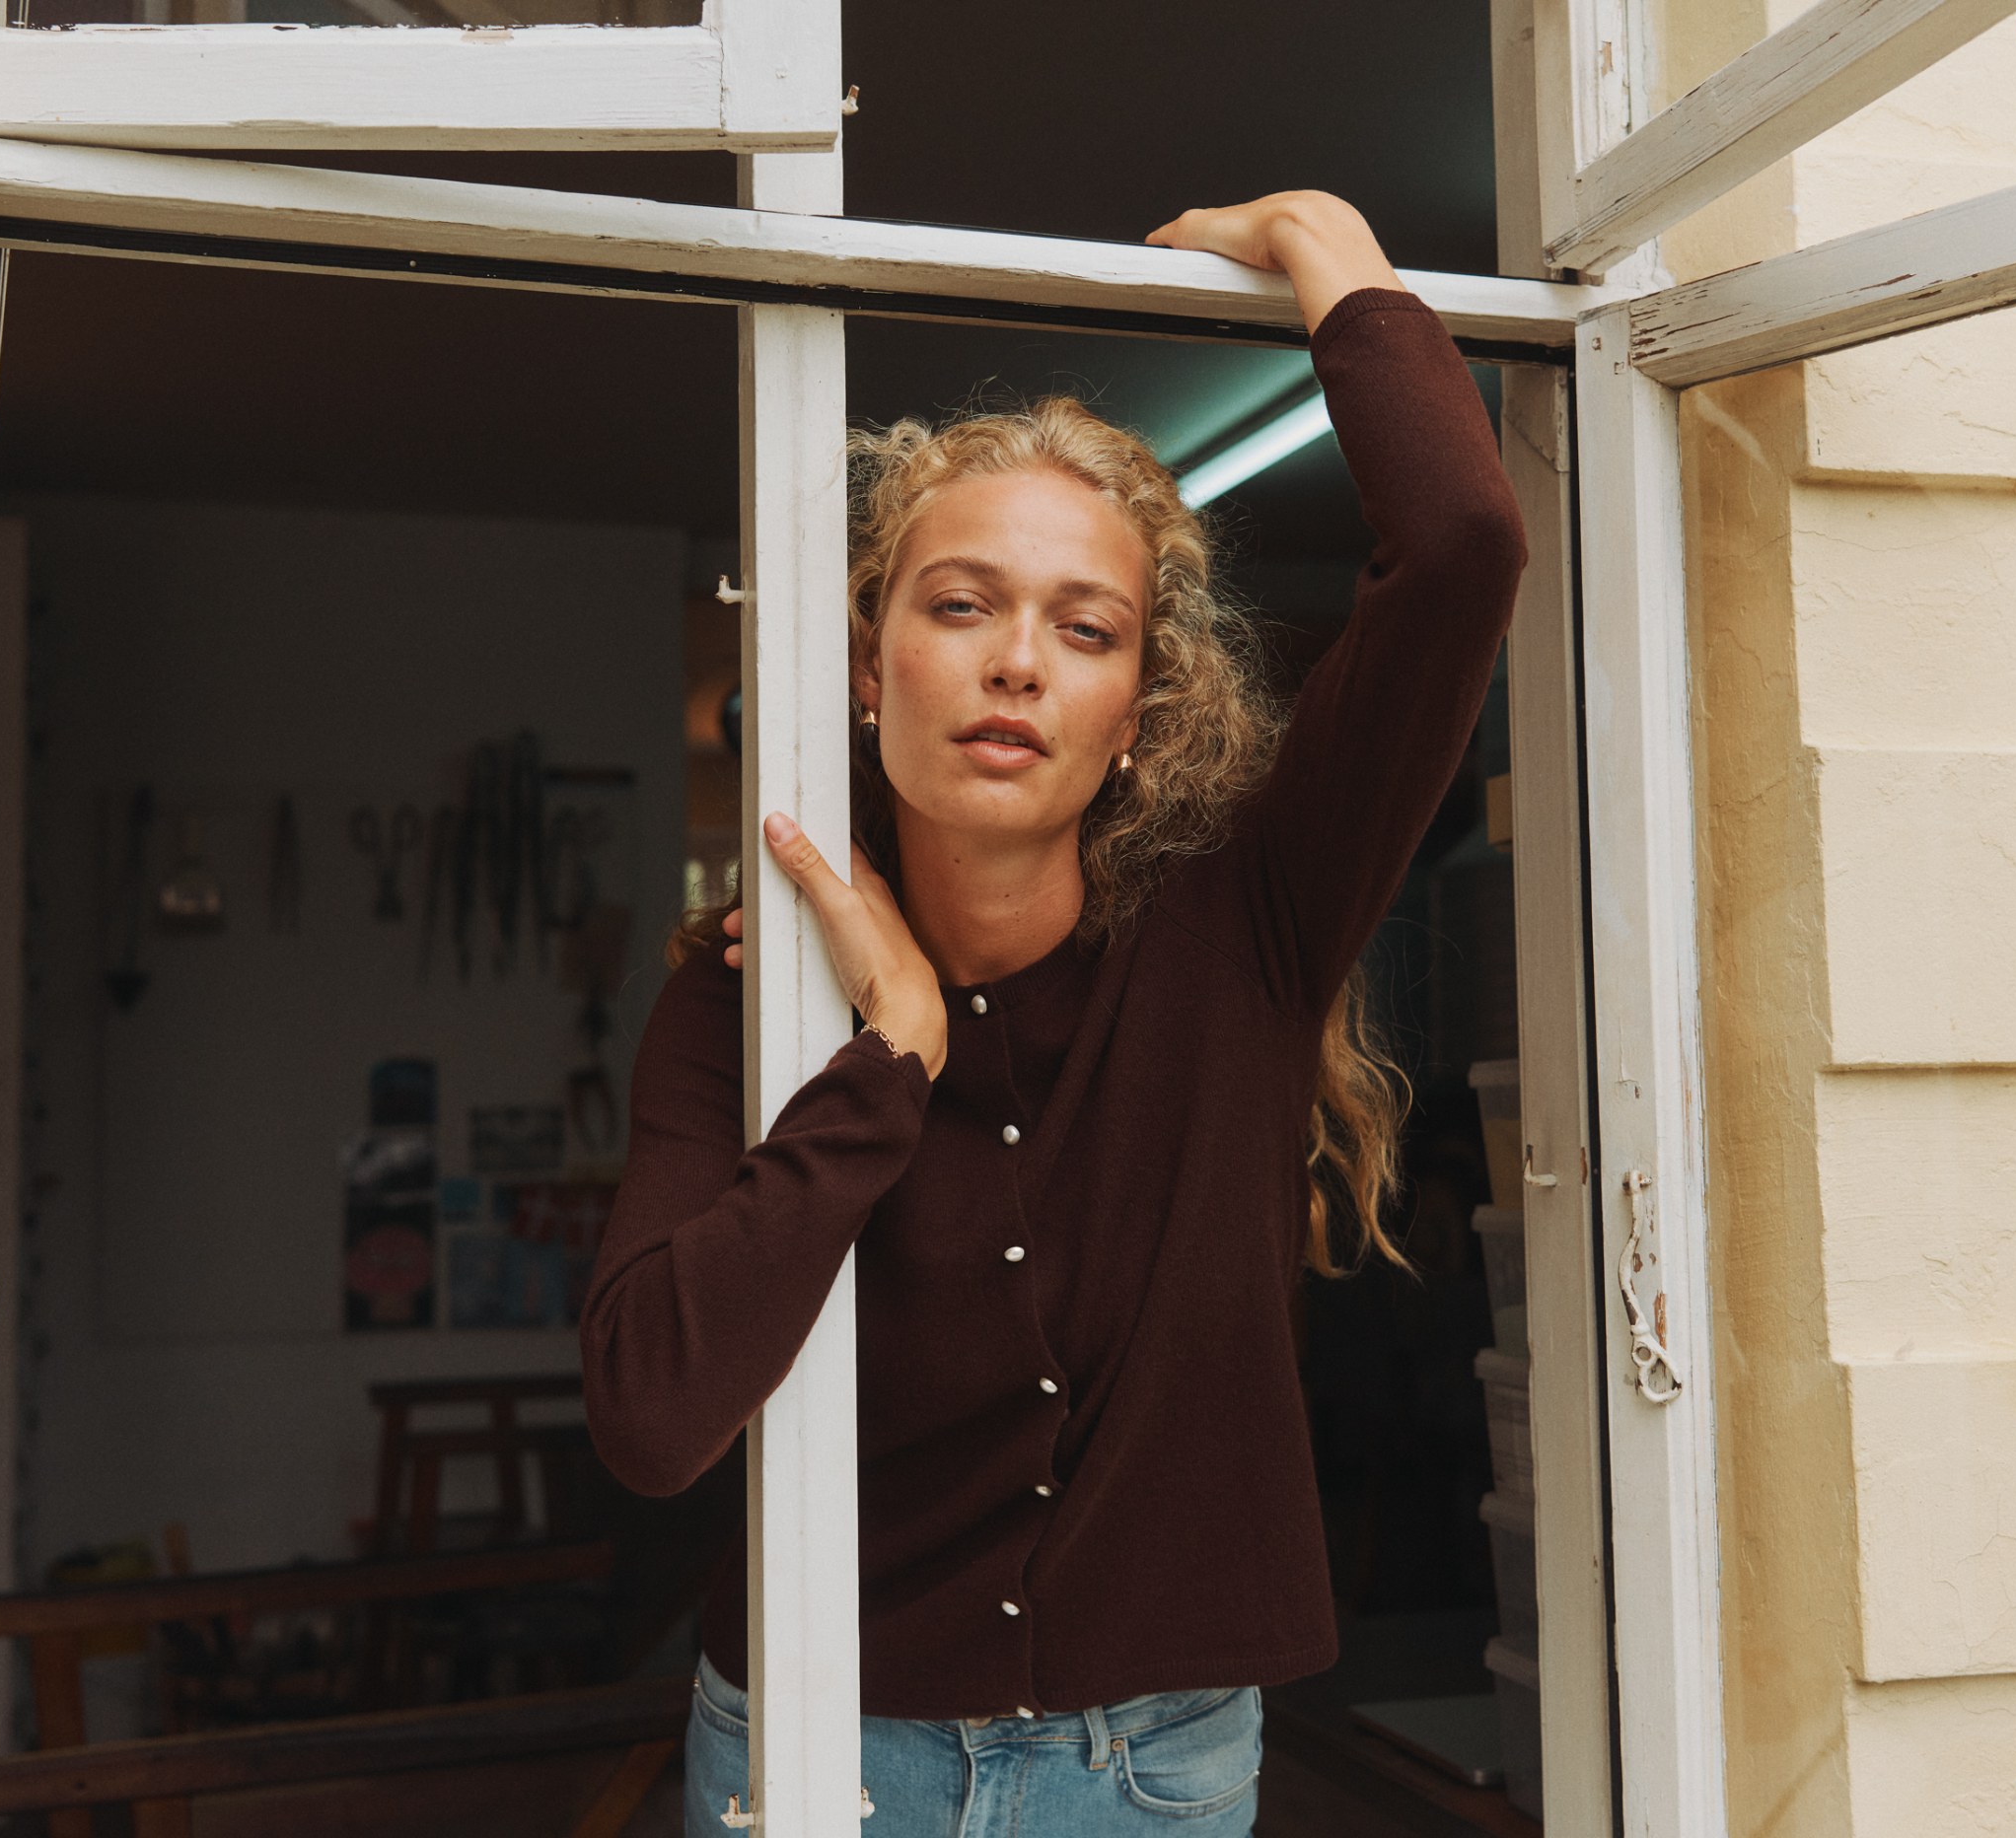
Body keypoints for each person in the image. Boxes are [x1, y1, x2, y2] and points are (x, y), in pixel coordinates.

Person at [579, 189, 1528, 1837]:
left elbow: (1463, 546)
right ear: (868, 670)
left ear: (1138, 717)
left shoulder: (1253, 923)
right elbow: (653, 1419)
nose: (1018, 661)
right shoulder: (741, 1006)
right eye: (959, 605)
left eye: (1083, 631)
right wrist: (882, 1068)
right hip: (816, 1752)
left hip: (1148, 1774)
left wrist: (1317, 242)